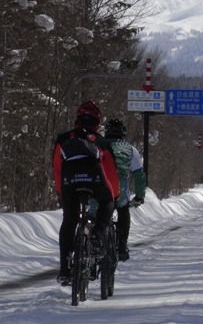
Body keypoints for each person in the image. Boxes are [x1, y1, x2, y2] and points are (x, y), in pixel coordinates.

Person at [53, 100, 120, 285]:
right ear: (97, 123)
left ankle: (65, 270)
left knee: (69, 221)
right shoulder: (100, 141)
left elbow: (57, 168)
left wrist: (61, 192)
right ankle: (98, 234)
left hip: (69, 183)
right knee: (107, 202)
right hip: (95, 180)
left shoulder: (63, 139)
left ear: (76, 120)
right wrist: (114, 196)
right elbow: (111, 172)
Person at [104, 118, 146, 261]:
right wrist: (139, 197)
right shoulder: (130, 149)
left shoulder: (97, 145)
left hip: (98, 186)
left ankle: (92, 242)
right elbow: (139, 176)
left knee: (95, 214)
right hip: (119, 189)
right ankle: (121, 247)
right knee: (123, 210)